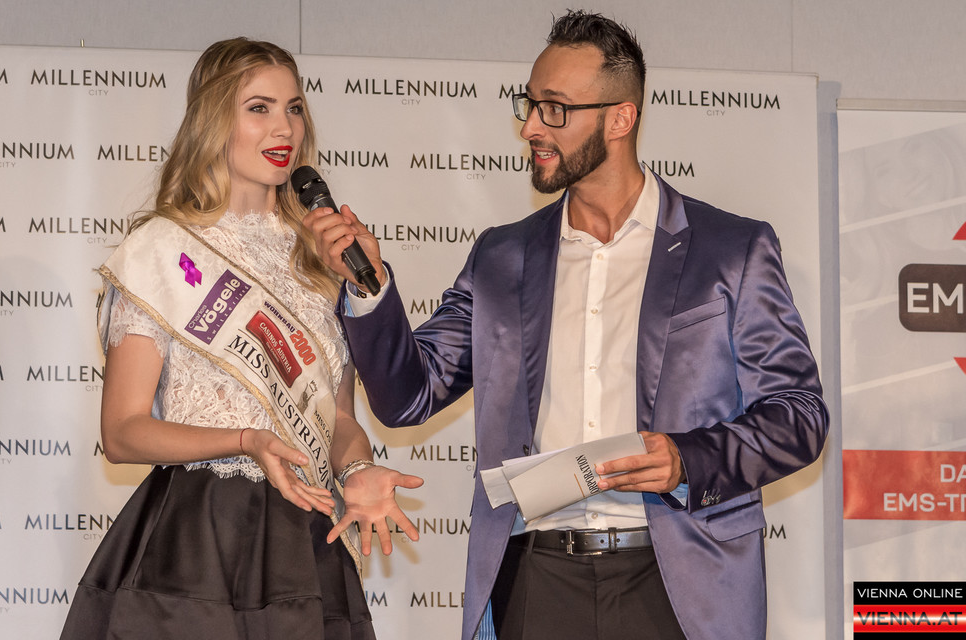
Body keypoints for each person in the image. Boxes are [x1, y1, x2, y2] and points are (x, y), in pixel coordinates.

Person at [305, 10, 828, 640]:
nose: (530, 127)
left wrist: (688, 459)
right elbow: (407, 397)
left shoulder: (731, 249)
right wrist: (369, 287)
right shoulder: (501, 258)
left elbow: (799, 416)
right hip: (536, 579)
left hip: (680, 585)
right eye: (529, 105)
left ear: (620, 119)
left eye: (554, 109)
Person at [60, 37, 422, 640]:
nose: (284, 128)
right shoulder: (161, 250)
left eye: (294, 108)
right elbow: (121, 433)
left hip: (304, 539)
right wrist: (246, 441)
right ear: (213, 120)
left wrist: (358, 468)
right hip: (198, 539)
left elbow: (337, 420)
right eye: (259, 108)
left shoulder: (321, 261)